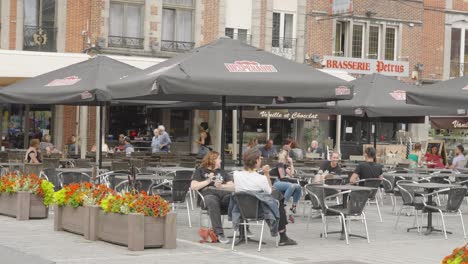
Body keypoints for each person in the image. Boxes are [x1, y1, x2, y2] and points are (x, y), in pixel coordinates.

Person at [233, 148, 297, 246]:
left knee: (277, 199)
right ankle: (283, 235)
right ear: (256, 161)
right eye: (260, 158)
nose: (261, 160)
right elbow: (270, 191)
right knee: (278, 200)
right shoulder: (261, 178)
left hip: (240, 211)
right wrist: (266, 173)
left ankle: (243, 233)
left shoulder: (236, 175)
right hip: (259, 212)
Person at [191, 151, 234, 244]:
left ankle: (243, 230)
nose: (221, 161)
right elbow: (193, 186)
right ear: (212, 160)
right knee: (212, 200)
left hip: (223, 197)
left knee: (235, 197)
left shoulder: (222, 172)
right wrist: (208, 181)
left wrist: (221, 186)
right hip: (208, 197)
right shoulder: (200, 171)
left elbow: (232, 186)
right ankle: (219, 233)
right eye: (219, 159)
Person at [270, 149, 302, 217]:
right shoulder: (280, 164)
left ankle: (293, 206)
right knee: (292, 186)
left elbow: (292, 174)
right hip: (274, 182)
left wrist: (291, 163)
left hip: (280, 182)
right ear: (284, 157)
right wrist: (287, 177)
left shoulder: (283, 165)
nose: (288, 158)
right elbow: (282, 177)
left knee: (298, 187)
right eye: (287, 157)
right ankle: (283, 204)